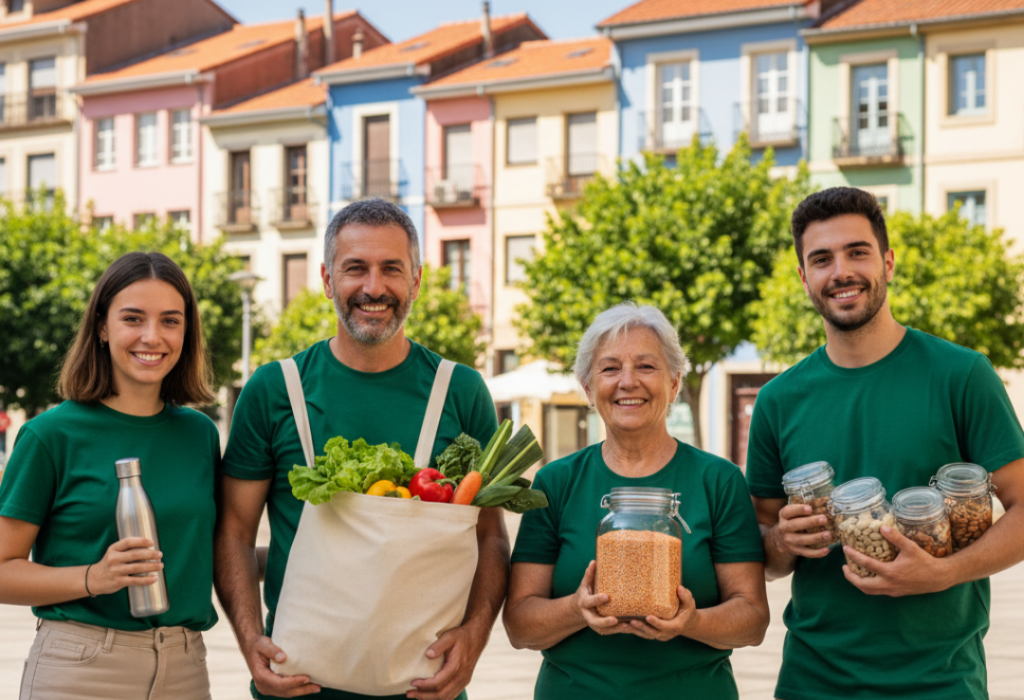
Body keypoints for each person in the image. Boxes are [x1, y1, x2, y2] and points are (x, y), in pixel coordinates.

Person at [216, 197, 508, 700]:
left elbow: (491, 539)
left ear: (415, 281)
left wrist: (476, 636)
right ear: (328, 280)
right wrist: (249, 641)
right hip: (297, 684)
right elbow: (236, 532)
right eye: (356, 269)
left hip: (425, 686)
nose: (374, 288)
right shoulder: (274, 390)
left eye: (391, 269)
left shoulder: (460, 392)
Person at [745, 187, 1024, 700]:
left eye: (858, 252)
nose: (841, 272)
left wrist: (943, 573)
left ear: (888, 263)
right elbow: (763, 550)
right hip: (813, 682)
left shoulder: (961, 375)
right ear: (805, 278)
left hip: (941, 682)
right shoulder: (778, 400)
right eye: (821, 259)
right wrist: (784, 541)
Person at [504, 303, 769, 699]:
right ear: (589, 389)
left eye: (646, 367)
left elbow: (752, 620)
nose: (628, 382)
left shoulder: (718, 480)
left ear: (675, 383)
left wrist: (691, 622)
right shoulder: (556, 482)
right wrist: (576, 610)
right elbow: (520, 625)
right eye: (610, 368)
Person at [0, 252, 221, 699]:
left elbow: (206, 553)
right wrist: (92, 577)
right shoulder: (50, 435)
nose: (152, 336)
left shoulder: (199, 434)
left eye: (171, 321)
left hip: (185, 669)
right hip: (81, 671)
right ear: (102, 327)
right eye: (133, 318)